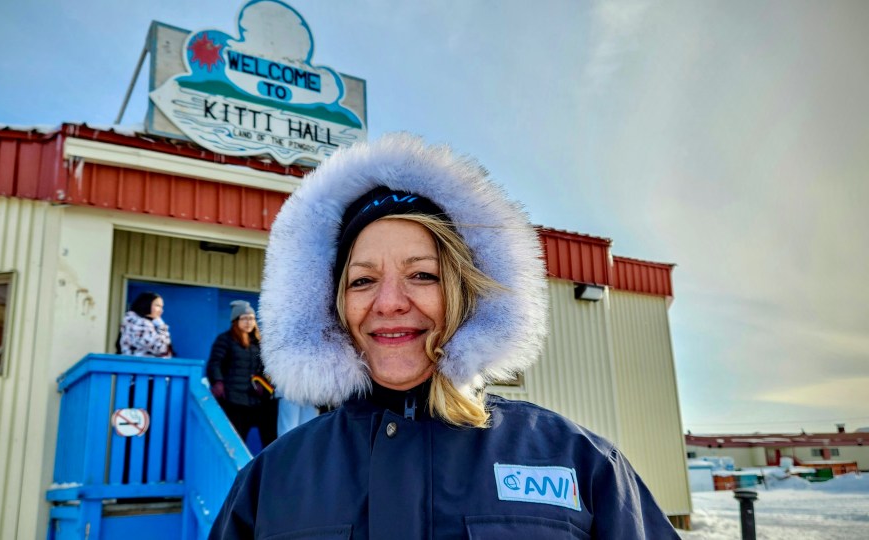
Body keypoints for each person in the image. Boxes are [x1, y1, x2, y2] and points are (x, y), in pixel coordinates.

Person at [209, 135, 680, 539]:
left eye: (423, 275)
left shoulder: (580, 462)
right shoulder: (269, 482)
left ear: (465, 294)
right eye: (362, 280)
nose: (390, 302)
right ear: (331, 307)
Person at [206, 300, 277, 449]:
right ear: (235, 321)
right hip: (234, 400)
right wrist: (218, 382)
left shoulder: (259, 342)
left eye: (251, 318)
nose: (248, 322)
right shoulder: (225, 340)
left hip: (256, 400)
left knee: (270, 439)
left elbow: (266, 367)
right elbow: (215, 363)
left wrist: (265, 384)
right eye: (244, 318)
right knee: (236, 439)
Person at [117, 292, 173, 358]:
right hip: (141, 366)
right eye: (157, 306)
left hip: (141, 365)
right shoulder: (138, 322)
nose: (161, 310)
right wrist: (161, 327)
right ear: (146, 304)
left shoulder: (142, 322)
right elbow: (161, 348)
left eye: (162, 307)